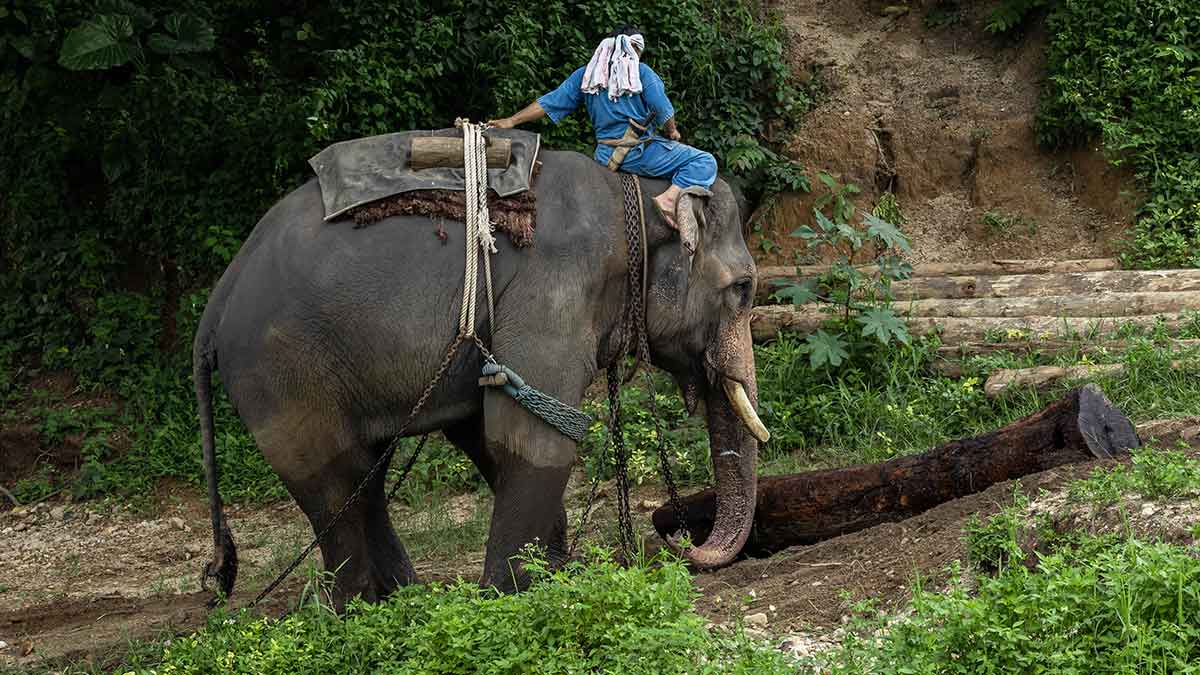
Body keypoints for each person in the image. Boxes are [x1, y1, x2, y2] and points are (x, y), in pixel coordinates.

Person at [488, 26, 716, 227]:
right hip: (637, 153)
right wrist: (672, 131)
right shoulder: (641, 71)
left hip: (604, 155)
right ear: (634, 47)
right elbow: (663, 109)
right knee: (704, 161)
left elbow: (550, 102)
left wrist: (510, 120)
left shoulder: (587, 74)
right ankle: (669, 199)